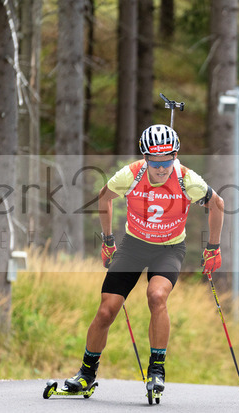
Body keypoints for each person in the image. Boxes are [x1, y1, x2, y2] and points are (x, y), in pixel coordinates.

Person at [64, 124, 224, 396]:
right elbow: (104, 197)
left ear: (175, 156)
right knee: (106, 310)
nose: (161, 168)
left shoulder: (187, 179)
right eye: (155, 161)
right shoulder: (132, 174)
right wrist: (107, 240)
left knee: (157, 296)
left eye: (167, 161)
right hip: (134, 246)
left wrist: (213, 248)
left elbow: (217, 204)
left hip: (169, 249)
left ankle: (157, 371)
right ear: (145, 157)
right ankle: (86, 374)